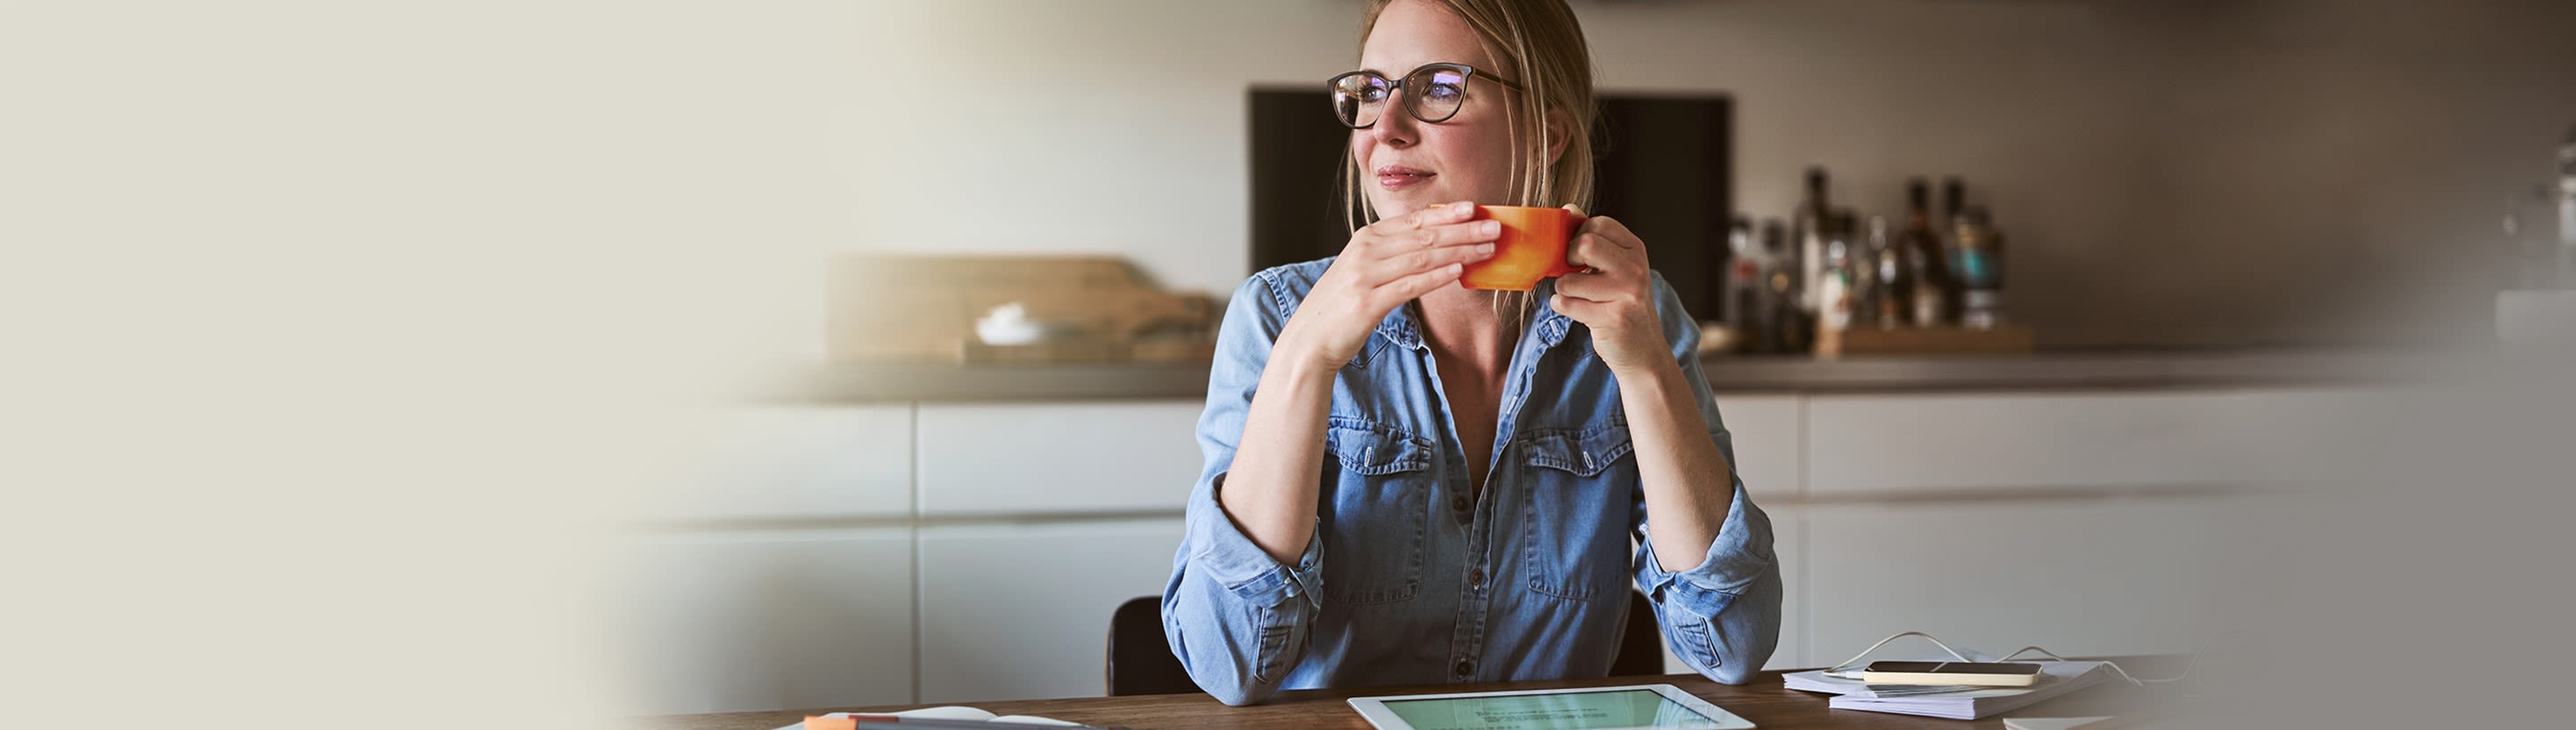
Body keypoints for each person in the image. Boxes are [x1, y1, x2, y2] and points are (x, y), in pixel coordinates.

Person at [1160, 0, 1781, 706]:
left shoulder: (1638, 316)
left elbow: (1732, 644)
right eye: (1370, 91)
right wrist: (1307, 357)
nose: (1384, 130)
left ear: (1546, 134)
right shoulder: (1277, 316)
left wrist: (1645, 371)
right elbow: (1229, 665)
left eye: (1439, 89)